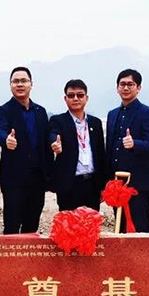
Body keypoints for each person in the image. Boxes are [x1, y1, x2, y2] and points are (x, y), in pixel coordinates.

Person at [0, 66, 52, 233]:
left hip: (37, 178)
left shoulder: (40, 111)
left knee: (32, 224)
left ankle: (29, 252)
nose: (20, 84)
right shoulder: (4, 110)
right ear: (10, 85)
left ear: (31, 84)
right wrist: (6, 139)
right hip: (14, 179)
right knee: (12, 225)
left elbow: (46, 142)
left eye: (24, 81)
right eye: (16, 81)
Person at [105, 68, 149, 232]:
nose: (126, 88)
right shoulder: (112, 114)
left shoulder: (147, 112)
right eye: (122, 84)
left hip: (138, 181)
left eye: (130, 84)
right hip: (116, 182)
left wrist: (134, 143)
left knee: (139, 226)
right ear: (117, 88)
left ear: (138, 87)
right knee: (119, 227)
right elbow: (109, 149)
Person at [47, 79, 106, 211]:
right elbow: (53, 134)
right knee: (68, 221)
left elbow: (100, 155)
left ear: (86, 98)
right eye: (71, 95)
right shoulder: (58, 120)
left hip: (92, 184)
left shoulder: (95, 123)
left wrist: (102, 185)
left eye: (80, 95)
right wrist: (54, 143)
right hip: (69, 185)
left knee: (91, 221)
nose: (75, 98)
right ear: (65, 99)